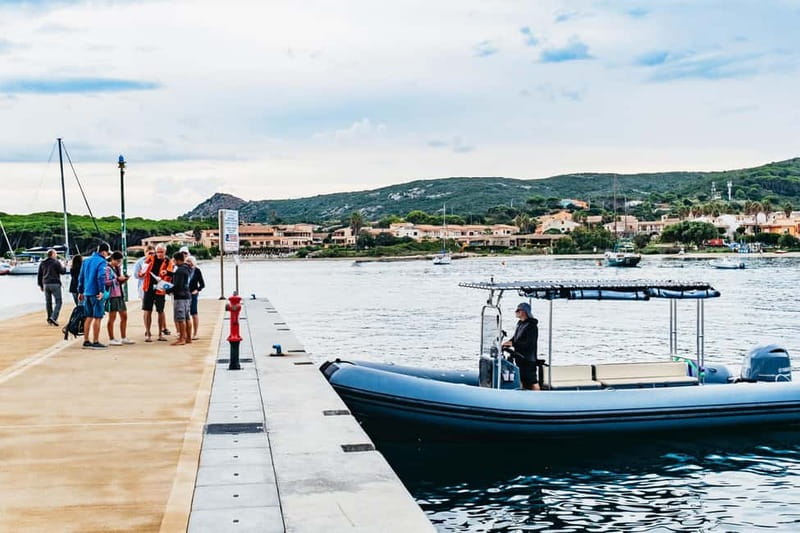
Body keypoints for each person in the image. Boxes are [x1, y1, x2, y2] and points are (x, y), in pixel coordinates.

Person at [77, 242, 111, 349]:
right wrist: (101, 291)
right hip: (96, 293)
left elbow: (81, 277)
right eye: (107, 253)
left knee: (88, 316)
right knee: (98, 317)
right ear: (104, 252)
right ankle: (96, 341)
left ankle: (86, 340)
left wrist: (80, 291)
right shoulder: (102, 262)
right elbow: (101, 276)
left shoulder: (86, 261)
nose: (107, 255)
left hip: (87, 292)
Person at [502, 302, 540, 390]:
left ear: (524, 312)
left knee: (532, 381)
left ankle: (538, 397)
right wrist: (508, 342)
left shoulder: (532, 326)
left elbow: (529, 343)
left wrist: (513, 344)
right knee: (521, 379)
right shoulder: (520, 323)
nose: (516, 311)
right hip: (519, 358)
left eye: (518, 310)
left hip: (528, 359)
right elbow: (515, 338)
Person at [138, 244, 172, 342]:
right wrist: (142, 273)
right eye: (158, 252)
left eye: (162, 252)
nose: (159, 254)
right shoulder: (150, 258)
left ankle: (160, 334)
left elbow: (170, 273)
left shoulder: (168, 261)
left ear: (165, 252)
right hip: (148, 287)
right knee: (147, 310)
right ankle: (148, 333)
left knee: (160, 311)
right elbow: (142, 271)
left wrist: (164, 278)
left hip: (160, 289)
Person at [106, 252, 134, 346]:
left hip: (119, 294)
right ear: (112, 259)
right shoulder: (107, 268)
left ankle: (123, 337)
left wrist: (124, 279)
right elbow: (106, 282)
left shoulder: (117, 268)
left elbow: (118, 282)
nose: (119, 263)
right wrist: (118, 279)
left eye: (120, 261)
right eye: (117, 261)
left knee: (124, 316)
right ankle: (111, 338)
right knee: (112, 317)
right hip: (112, 295)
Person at [167, 252, 192, 345]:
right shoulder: (187, 268)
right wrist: (170, 274)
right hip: (187, 295)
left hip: (180, 296)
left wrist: (168, 290)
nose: (173, 262)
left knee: (181, 319)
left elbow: (177, 285)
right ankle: (189, 338)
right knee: (187, 317)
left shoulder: (180, 271)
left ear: (177, 260)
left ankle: (182, 338)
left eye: (174, 260)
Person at [37, 248, 67, 326]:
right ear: (53, 254)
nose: (56, 255)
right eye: (55, 254)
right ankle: (53, 317)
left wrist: (40, 285)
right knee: (58, 301)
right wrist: (64, 266)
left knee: (48, 302)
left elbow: (39, 275)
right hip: (55, 283)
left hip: (46, 283)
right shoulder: (56, 262)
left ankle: (49, 318)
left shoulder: (43, 263)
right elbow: (62, 272)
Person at [186, 255, 205, 340]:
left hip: (193, 293)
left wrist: (197, 290)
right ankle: (186, 333)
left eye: (190, 261)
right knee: (185, 314)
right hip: (185, 294)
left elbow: (202, 284)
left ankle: (195, 333)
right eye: (187, 261)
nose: (188, 263)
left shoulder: (197, 271)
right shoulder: (184, 270)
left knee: (194, 312)